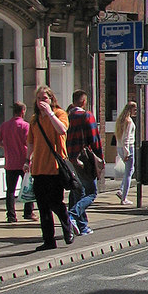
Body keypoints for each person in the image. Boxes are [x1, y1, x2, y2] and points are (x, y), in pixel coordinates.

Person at [25, 85, 74, 251]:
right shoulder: (34, 119)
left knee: (56, 203)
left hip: (55, 168)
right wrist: (27, 160)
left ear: (51, 99)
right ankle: (48, 240)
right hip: (38, 168)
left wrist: (51, 113)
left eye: (44, 98)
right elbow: (31, 142)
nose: (41, 102)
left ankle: (67, 226)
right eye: (39, 99)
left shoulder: (60, 114)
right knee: (43, 207)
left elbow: (62, 130)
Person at [66, 90, 103, 237]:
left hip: (70, 159)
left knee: (77, 192)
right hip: (85, 160)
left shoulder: (67, 117)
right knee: (91, 193)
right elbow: (95, 140)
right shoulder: (87, 116)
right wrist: (100, 159)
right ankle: (72, 215)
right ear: (83, 102)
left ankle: (82, 227)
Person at [0, 101, 37, 223]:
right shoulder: (25, 126)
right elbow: (29, 143)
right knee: (28, 187)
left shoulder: (5, 125)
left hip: (10, 162)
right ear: (23, 111)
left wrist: (7, 146)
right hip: (24, 161)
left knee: (10, 190)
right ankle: (28, 212)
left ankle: (11, 215)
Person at [114, 101, 137, 205]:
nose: (136, 111)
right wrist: (126, 151)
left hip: (120, 147)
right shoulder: (128, 121)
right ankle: (124, 197)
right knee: (129, 172)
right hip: (128, 148)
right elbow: (126, 138)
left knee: (130, 170)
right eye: (134, 109)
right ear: (130, 109)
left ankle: (122, 190)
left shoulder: (121, 120)